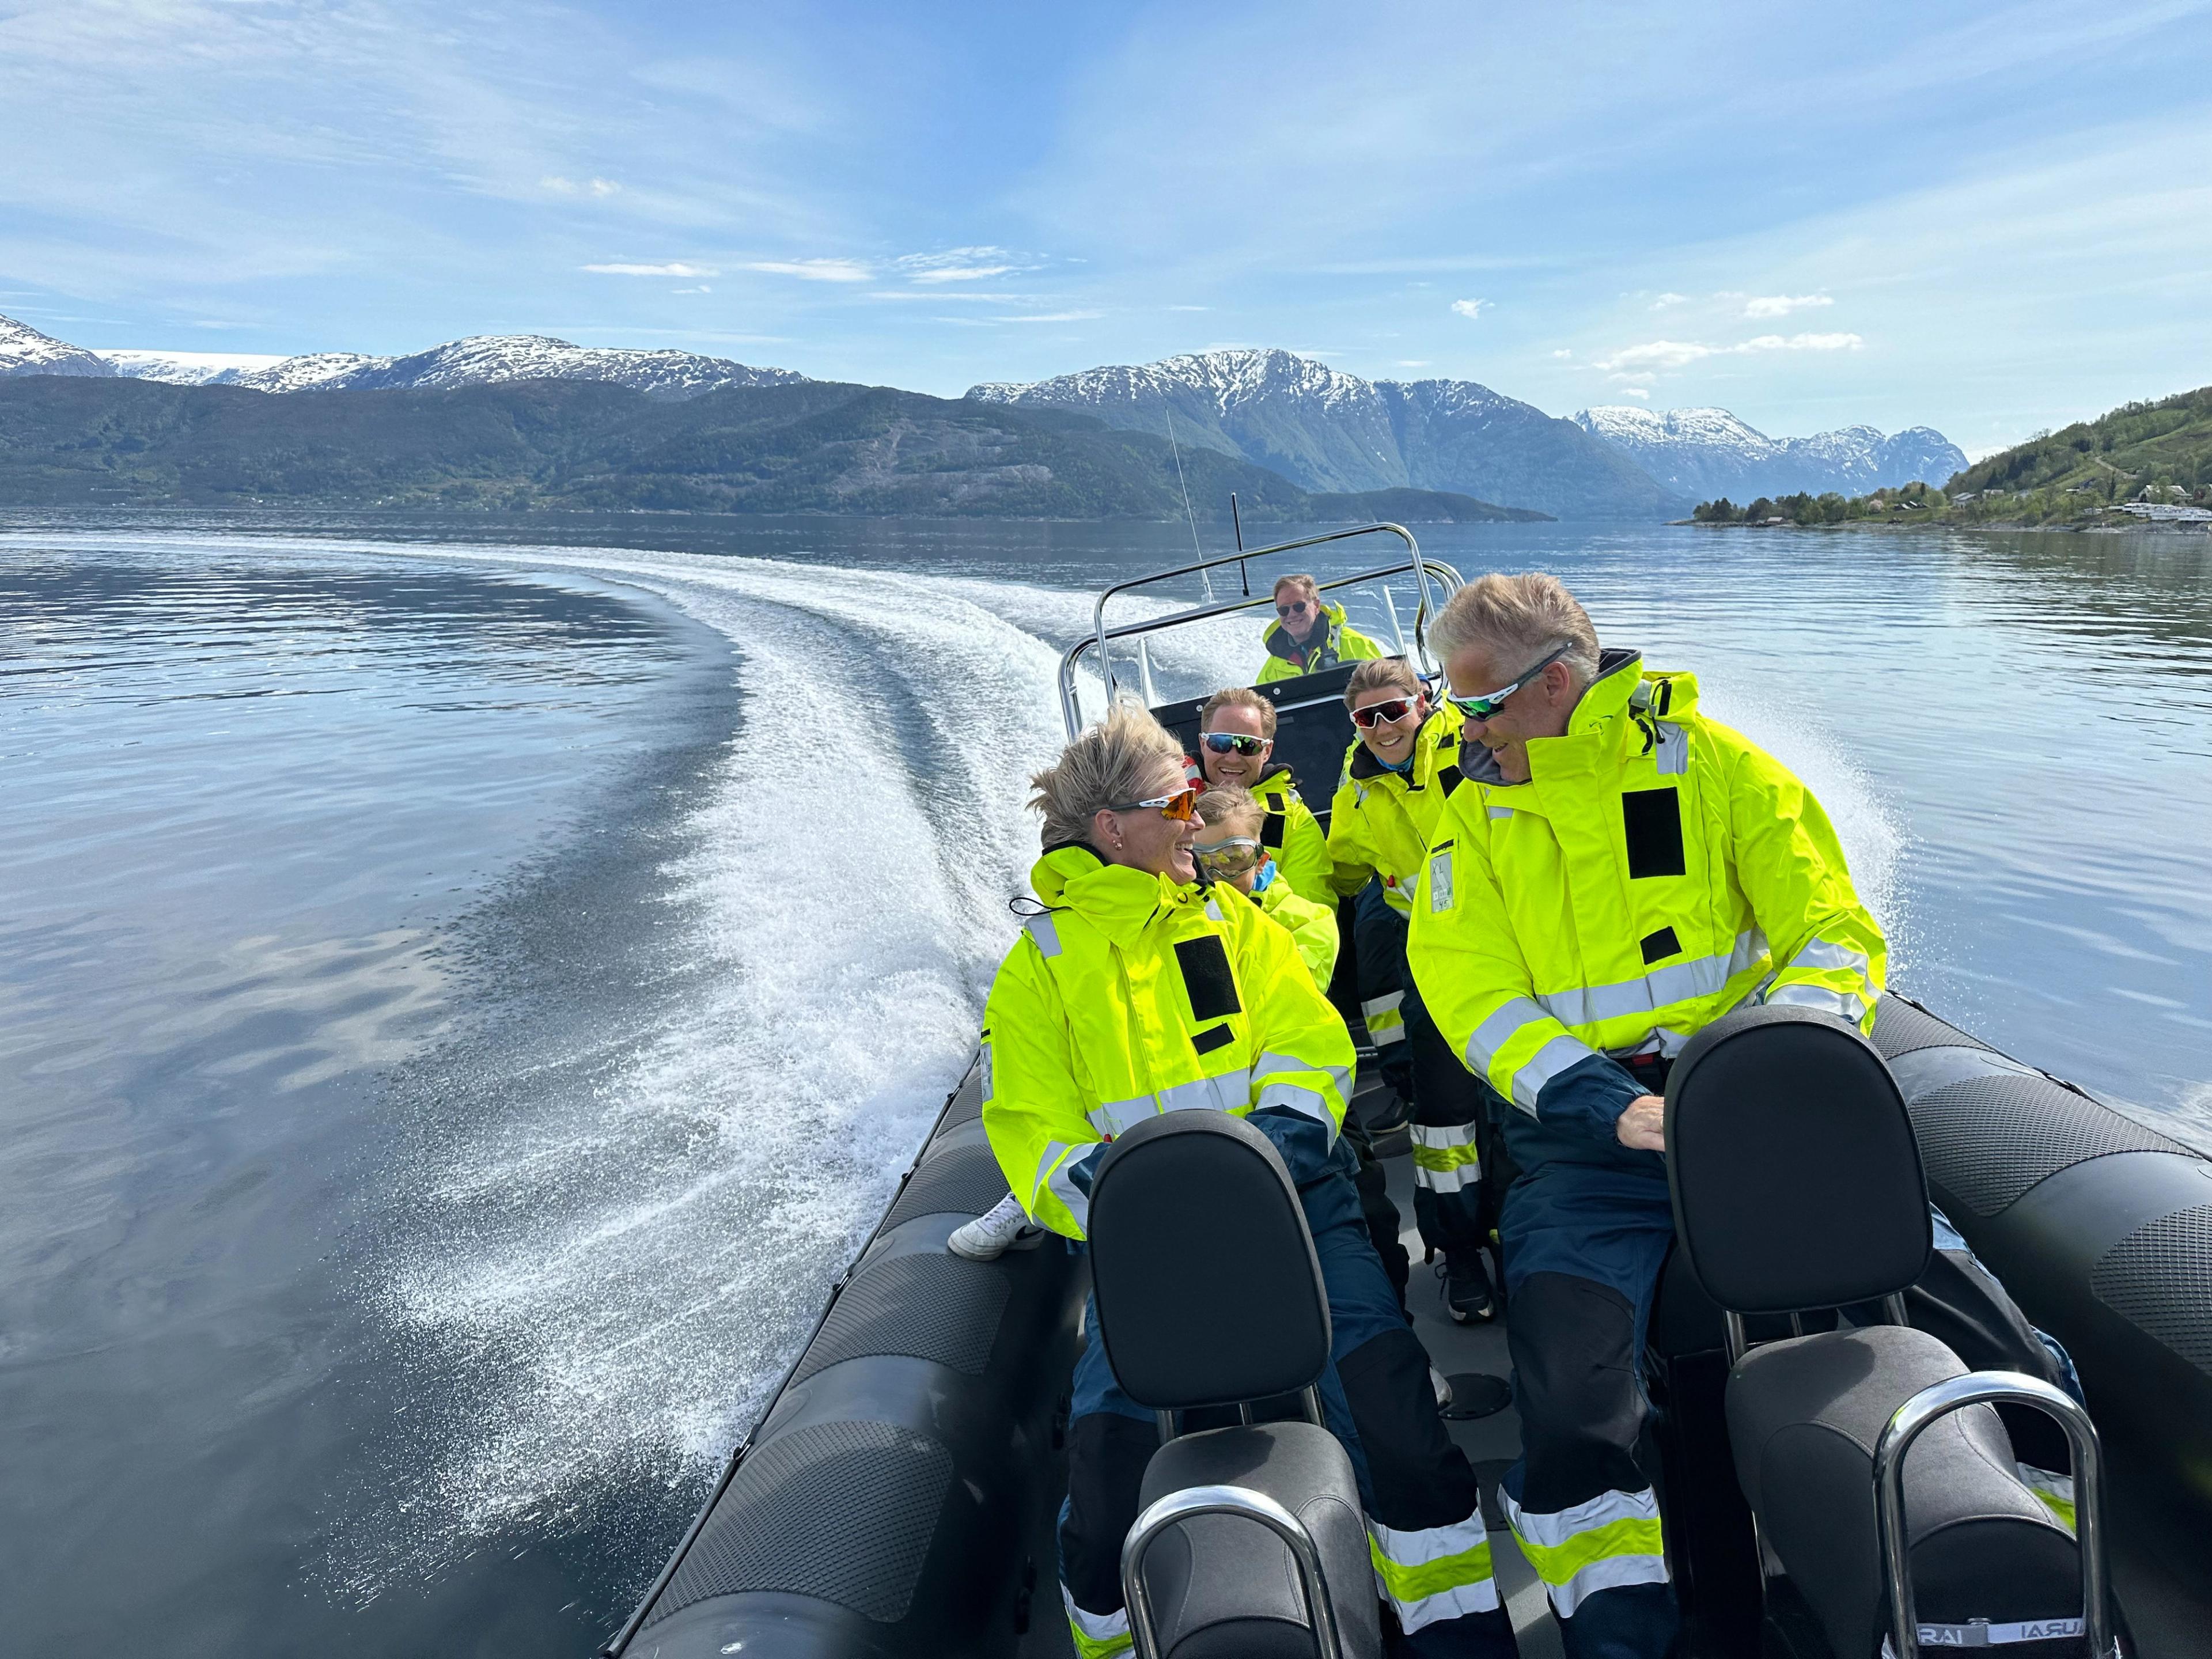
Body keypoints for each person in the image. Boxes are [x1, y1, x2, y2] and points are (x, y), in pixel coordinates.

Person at [1407, 572, 2081, 1659]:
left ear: (1557, 682)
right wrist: (1605, 1104)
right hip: (1587, 1150)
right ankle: (1631, 1636)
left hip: (1759, 1117)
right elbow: (1470, 993)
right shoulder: (1470, 822)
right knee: (1571, 1399)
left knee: (1992, 1335)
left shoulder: (1719, 768)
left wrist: (1763, 1070)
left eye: (1477, 702)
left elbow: (1833, 931)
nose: (1462, 725)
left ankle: (2053, 1582)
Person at [980, 706, 1514, 1659]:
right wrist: (1168, 1208)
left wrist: (1254, 1176)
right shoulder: (1038, 972)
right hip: (1146, 1251)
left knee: (1396, 1424)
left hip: (1297, 1214)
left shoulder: (1240, 926)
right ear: (1113, 829)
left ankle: (1458, 1642)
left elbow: (1310, 1056)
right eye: (1177, 803)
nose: (1198, 816)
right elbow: (1036, 1140)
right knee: (1105, 1481)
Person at [1328, 658, 1499, 1327]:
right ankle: (1458, 1252)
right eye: (1365, 717)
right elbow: (1342, 870)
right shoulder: (1358, 787)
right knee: (1444, 1124)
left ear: (1423, 700)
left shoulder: (1479, 745)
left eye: (1393, 710)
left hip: (1514, 946)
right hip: (1433, 965)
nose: (1381, 727)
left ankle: (1521, 1234)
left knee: (1523, 1106)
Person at [1190, 685, 1332, 905]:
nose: (1233, 758)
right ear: (1203, 743)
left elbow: (1310, 907)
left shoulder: (1293, 821)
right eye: (1220, 743)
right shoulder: (1168, 804)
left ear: (1267, 751)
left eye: (1249, 746)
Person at [1256, 572, 1385, 683]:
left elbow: (1387, 684)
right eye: (1284, 610)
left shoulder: (1356, 644)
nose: (1292, 614)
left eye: (1299, 606)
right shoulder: (1271, 670)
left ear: (1316, 606)